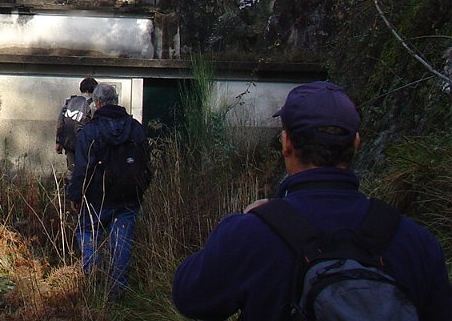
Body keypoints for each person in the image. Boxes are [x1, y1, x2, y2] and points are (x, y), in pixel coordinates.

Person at [172, 81, 452, 321]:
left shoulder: (249, 233)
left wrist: (236, 223)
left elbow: (190, 298)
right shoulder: (418, 243)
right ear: (356, 143)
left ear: (286, 143)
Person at [67, 82, 151, 294]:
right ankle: (118, 290)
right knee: (122, 241)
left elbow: (82, 168)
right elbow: (146, 163)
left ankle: (93, 277)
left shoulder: (90, 131)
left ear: (98, 103)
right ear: (116, 101)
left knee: (86, 231)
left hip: (98, 197)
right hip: (129, 196)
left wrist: (75, 195)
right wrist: (141, 188)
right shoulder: (135, 127)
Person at [56, 77, 97, 171]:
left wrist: (58, 142)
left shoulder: (69, 101)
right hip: (85, 145)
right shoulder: (92, 105)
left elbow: (60, 122)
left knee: (72, 171)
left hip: (68, 143)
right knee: (86, 171)